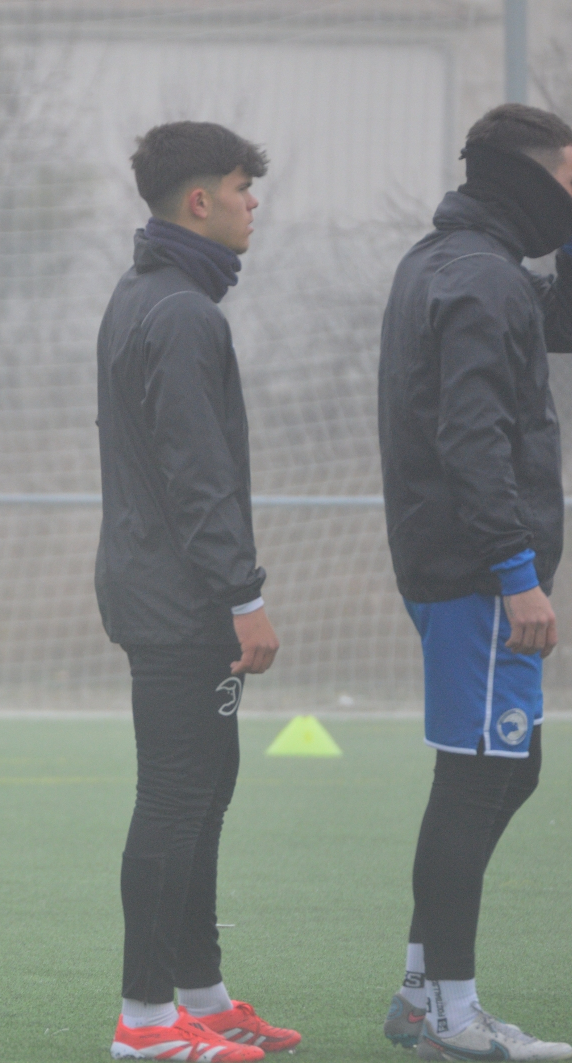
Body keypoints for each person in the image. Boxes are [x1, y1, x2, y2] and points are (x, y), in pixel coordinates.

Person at [94, 121, 298, 1062]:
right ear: (199, 200)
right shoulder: (179, 311)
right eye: (241, 186)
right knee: (176, 796)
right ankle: (143, 1024)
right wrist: (240, 592)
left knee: (206, 786)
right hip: (180, 600)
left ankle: (199, 995)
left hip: (170, 591)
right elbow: (193, 472)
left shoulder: (149, 296)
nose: (255, 201)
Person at [378, 103, 572, 1062]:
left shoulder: (453, 261)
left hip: (457, 567)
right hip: (478, 576)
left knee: (505, 768)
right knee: (479, 777)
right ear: (535, 174)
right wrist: (516, 574)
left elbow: (561, 325)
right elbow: (469, 439)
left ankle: (423, 992)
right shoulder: (477, 279)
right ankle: (450, 1012)